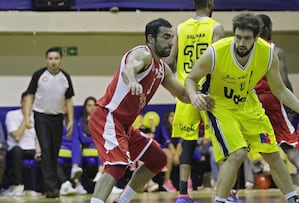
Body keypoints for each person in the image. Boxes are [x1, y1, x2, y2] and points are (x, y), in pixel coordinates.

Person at [184, 13, 299, 203]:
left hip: (248, 104)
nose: (241, 42)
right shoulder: (216, 51)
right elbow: (190, 78)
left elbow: (281, 90)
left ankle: (293, 199)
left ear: (256, 37)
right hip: (219, 105)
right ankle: (220, 200)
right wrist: (195, 95)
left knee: (273, 154)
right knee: (237, 154)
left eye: (246, 38)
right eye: (238, 37)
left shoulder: (268, 54)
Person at [89, 18, 193, 203]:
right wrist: (132, 81)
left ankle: (122, 201)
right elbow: (128, 69)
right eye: (165, 37)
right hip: (108, 117)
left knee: (158, 159)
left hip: (125, 126)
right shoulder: (143, 54)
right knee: (117, 166)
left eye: (172, 37)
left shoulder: (162, 68)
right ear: (151, 38)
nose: (171, 42)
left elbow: (184, 95)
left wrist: (204, 97)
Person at [254, 14, 299, 200]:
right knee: (287, 143)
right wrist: (291, 103)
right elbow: (284, 81)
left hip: (251, 101)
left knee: (239, 150)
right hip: (273, 99)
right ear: (270, 28)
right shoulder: (275, 50)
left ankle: (232, 192)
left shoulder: (248, 49)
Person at [165, 0, 225, 202]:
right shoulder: (216, 27)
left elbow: (169, 60)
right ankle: (226, 193)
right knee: (221, 143)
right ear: (211, 3)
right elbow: (218, 62)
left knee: (187, 143)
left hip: (185, 91)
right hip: (208, 92)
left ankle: (182, 194)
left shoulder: (180, 28)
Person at [23, 47, 75, 198]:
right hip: (41, 116)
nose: (53, 61)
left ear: (60, 60)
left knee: (54, 152)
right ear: (46, 60)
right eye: (50, 59)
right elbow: (29, 97)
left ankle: (52, 186)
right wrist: (27, 117)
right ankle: (52, 188)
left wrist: (70, 120)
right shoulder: (39, 75)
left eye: (56, 58)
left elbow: (69, 100)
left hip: (58, 117)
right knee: (45, 149)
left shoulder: (65, 77)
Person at [5, 92, 41, 196]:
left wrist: (39, 152)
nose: (29, 105)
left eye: (31, 103)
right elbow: (17, 137)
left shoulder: (36, 117)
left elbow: (38, 138)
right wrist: (25, 119)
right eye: (26, 102)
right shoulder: (12, 115)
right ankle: (18, 185)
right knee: (17, 150)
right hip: (16, 149)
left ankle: (54, 187)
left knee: (47, 155)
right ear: (21, 102)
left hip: (32, 149)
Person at [154, 110, 181, 192]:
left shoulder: (180, 127)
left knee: (185, 153)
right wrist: (175, 154)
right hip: (163, 148)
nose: (173, 118)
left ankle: (187, 181)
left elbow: (181, 141)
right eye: (171, 116)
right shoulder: (163, 128)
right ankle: (167, 180)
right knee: (169, 155)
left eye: (174, 116)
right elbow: (167, 141)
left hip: (177, 150)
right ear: (167, 118)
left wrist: (177, 155)